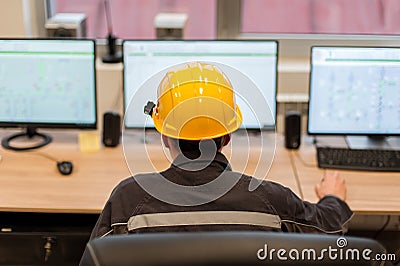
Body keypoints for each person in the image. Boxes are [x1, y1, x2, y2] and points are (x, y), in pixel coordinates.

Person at [80, 62, 353, 264]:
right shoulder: (271, 199)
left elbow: (94, 260)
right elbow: (329, 227)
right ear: (228, 136)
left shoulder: (128, 199)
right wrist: (333, 198)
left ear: (164, 136)